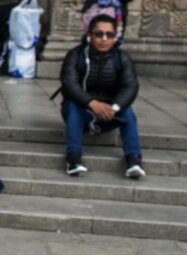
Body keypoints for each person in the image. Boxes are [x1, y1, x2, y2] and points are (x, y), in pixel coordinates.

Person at [59, 14, 145, 178]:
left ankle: (134, 159)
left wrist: (115, 107)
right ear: (89, 35)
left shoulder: (122, 58)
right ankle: (74, 158)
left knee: (128, 112)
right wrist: (91, 103)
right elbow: (69, 84)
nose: (104, 39)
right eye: (99, 34)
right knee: (72, 106)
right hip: (83, 111)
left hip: (110, 113)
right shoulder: (76, 56)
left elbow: (131, 86)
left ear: (115, 37)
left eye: (109, 35)